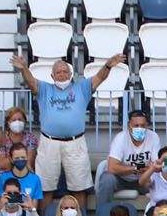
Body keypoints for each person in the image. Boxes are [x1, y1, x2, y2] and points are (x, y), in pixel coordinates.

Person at [9, 52, 121, 202]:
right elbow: (30, 82)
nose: (62, 75)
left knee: (79, 188)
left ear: (71, 74)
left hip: (75, 143)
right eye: (58, 72)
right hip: (49, 142)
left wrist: (107, 65)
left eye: (65, 71)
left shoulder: (81, 88)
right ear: (52, 76)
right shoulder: (44, 89)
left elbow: (100, 77)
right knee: (45, 187)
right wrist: (23, 68)